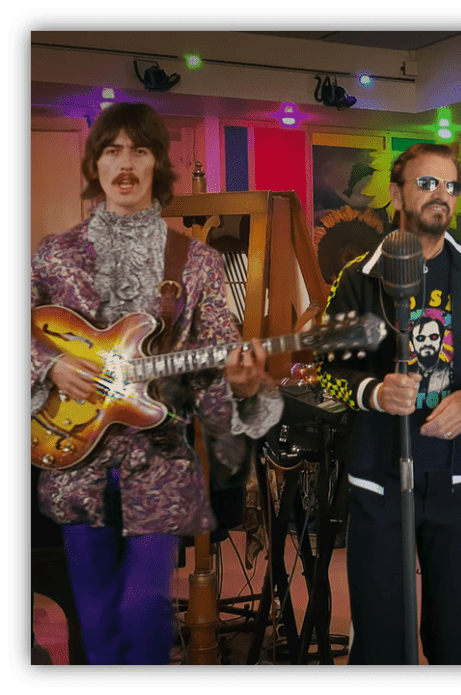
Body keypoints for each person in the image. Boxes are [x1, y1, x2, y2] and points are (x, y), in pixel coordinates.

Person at [30, 101, 282, 665]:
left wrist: (244, 385)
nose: (125, 163)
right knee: (96, 622)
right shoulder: (55, 255)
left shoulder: (194, 263)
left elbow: (218, 357)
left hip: (160, 463)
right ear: (95, 164)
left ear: (157, 165)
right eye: (113, 150)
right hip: (73, 456)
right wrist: (49, 367)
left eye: (139, 151)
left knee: (143, 612)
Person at [316, 143, 461, 664]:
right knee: (380, 634)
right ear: (397, 193)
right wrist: (375, 392)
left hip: (455, 477)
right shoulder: (358, 277)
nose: (441, 195)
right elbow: (327, 367)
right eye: (427, 183)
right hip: (379, 477)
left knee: (453, 633)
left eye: (451, 186)